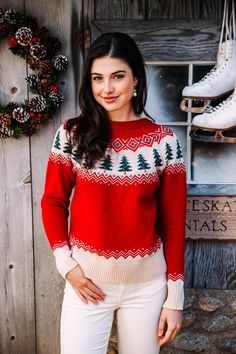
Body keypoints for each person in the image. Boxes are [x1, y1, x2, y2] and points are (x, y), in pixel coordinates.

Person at [41, 32, 187, 354]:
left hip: (147, 287)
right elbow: (53, 201)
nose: (106, 89)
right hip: (86, 284)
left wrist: (174, 298)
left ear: (135, 79)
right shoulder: (72, 135)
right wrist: (67, 265)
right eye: (98, 78)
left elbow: (174, 222)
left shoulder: (164, 143)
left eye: (117, 76)